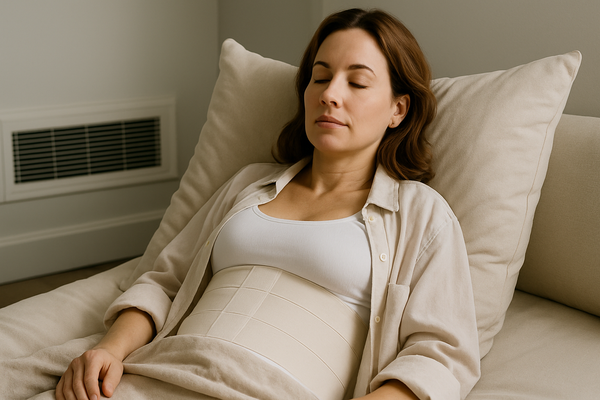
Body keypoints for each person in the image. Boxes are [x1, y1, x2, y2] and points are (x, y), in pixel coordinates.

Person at [56, 8, 480, 400]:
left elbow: (441, 354)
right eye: (320, 77)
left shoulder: (422, 215)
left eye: (357, 82)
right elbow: (166, 281)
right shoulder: (248, 184)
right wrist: (109, 350)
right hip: (159, 373)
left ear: (398, 109)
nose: (330, 94)